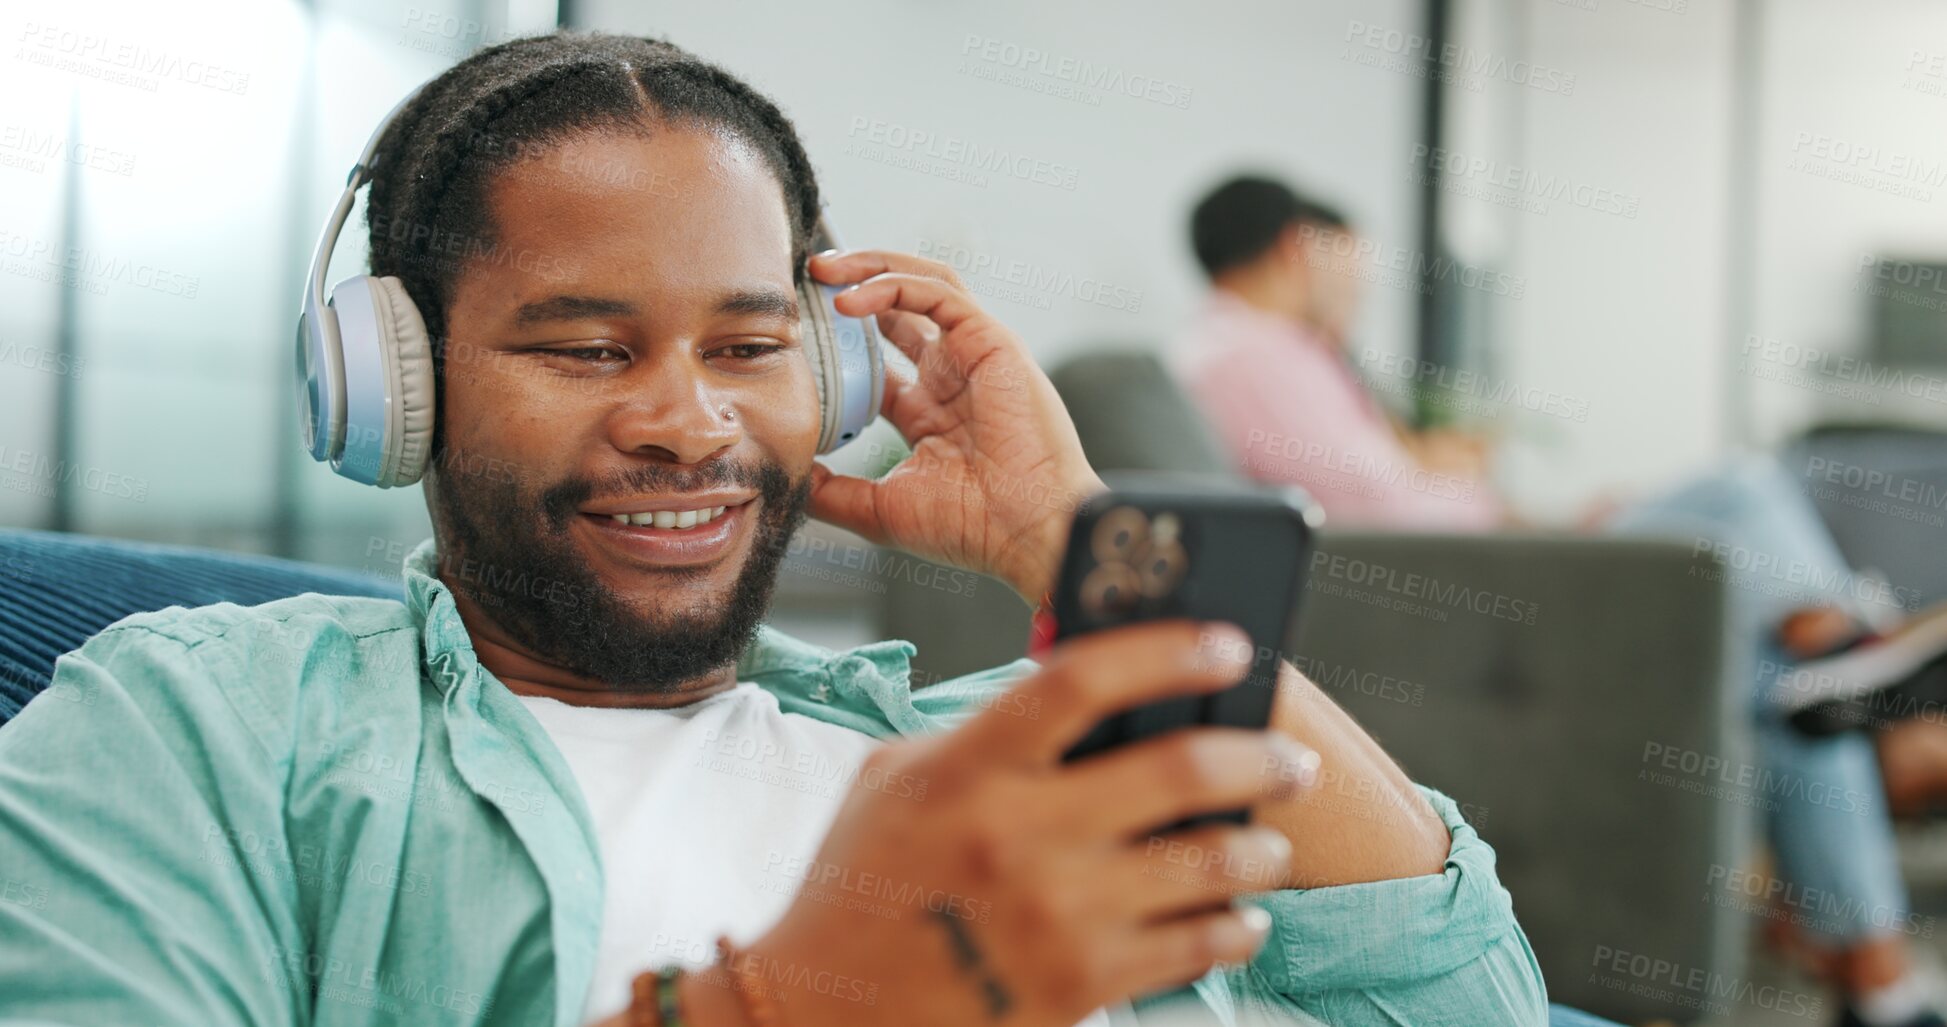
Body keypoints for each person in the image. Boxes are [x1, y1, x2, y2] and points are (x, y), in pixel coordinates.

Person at [0, 33, 1548, 1027]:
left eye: (748, 345)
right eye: (583, 346)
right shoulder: (206, 722)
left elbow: (1463, 997)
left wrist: (1068, 534)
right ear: (392, 388)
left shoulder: (992, 748)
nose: (688, 417)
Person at [1611, 456, 1947, 1027]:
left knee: (1784, 688)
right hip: (1549, 572)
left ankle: (1837, 655)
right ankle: (1881, 990)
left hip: (1583, 563)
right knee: (1742, 488)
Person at [1171, 175, 1504, 531]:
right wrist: (1482, 503)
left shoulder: (1239, 346)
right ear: (1293, 246)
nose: (1349, 296)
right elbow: (1373, 508)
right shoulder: (1254, 357)